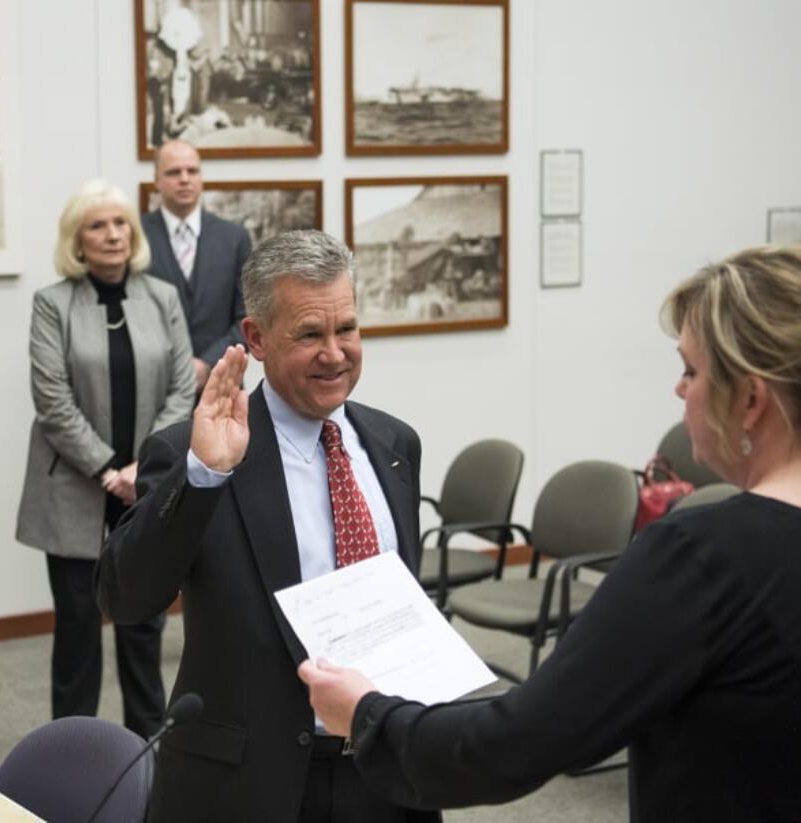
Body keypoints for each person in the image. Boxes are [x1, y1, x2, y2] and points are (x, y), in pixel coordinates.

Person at [298, 245, 801, 822]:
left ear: (752, 400)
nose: (679, 392)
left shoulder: (704, 555)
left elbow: (510, 747)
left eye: (691, 370)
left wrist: (366, 715)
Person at [98, 230, 439, 822]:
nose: (335, 353)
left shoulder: (393, 444)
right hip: (250, 785)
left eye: (348, 329)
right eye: (310, 334)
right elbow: (126, 598)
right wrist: (204, 475)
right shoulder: (196, 452)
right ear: (255, 338)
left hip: (383, 771)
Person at [15, 179, 195, 738]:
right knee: (76, 626)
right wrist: (105, 469)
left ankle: (150, 751)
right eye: (98, 225)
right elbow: (51, 399)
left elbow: (183, 388)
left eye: (121, 223)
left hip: (146, 488)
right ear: (77, 239)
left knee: (143, 625)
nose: (112, 234)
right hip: (75, 487)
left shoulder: (162, 296)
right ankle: (71, 749)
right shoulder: (53, 303)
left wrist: (143, 467)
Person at [141, 139, 251, 393]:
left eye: (192, 171)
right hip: (156, 389)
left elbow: (248, 317)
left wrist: (207, 363)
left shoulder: (234, 238)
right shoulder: (136, 236)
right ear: (156, 180)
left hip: (223, 386)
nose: (184, 179)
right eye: (173, 172)